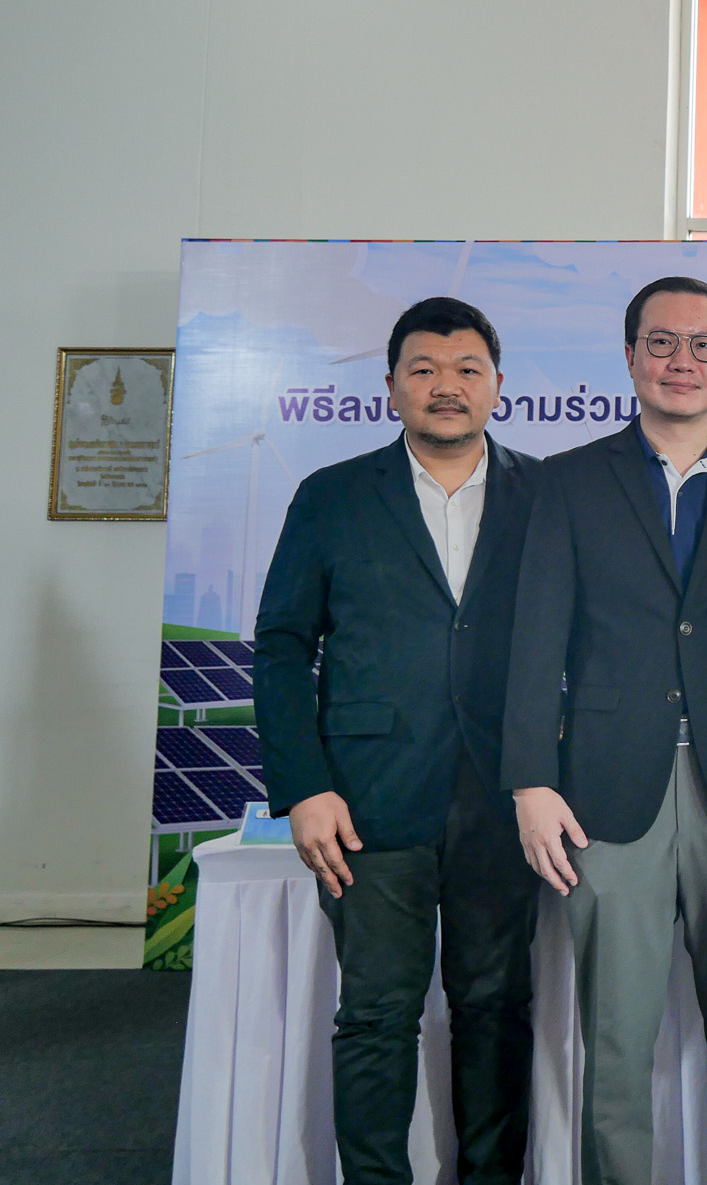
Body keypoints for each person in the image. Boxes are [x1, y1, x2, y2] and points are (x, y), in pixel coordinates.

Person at [500, 275, 707, 1185]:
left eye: (703, 345)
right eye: (661, 343)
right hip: (605, 791)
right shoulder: (568, 480)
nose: (682, 361)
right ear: (630, 356)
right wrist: (530, 779)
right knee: (617, 1040)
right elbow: (535, 638)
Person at [254, 297, 539, 1185]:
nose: (445, 386)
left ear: (497, 385)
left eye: (466, 370)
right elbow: (282, 644)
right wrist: (304, 787)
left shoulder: (546, 495)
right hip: (365, 800)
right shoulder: (331, 496)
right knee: (377, 1016)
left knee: (496, 1009)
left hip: (506, 797)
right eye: (423, 369)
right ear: (390, 387)